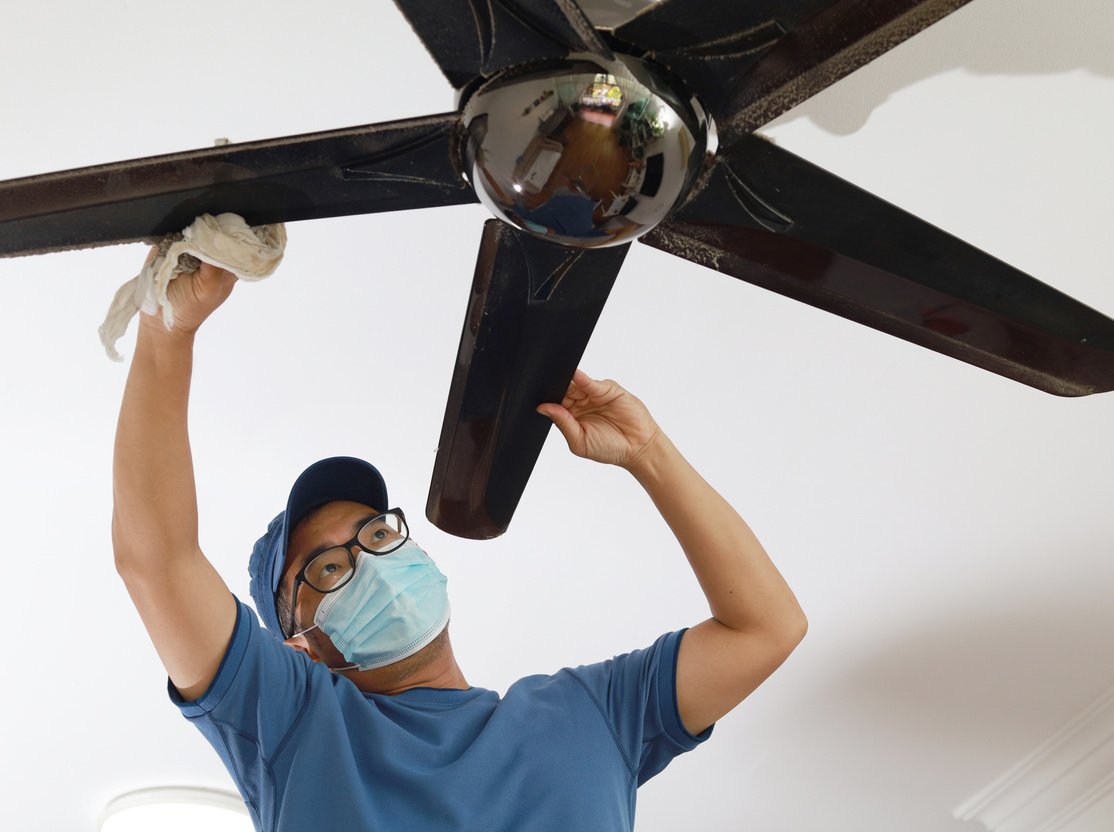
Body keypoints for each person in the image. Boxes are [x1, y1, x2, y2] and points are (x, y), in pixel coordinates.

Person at [112, 257, 808, 831]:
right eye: (327, 566)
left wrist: (649, 453)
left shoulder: (590, 715)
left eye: (377, 532)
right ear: (302, 645)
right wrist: (165, 334)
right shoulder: (300, 727)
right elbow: (158, 561)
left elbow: (767, 628)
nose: (371, 562)